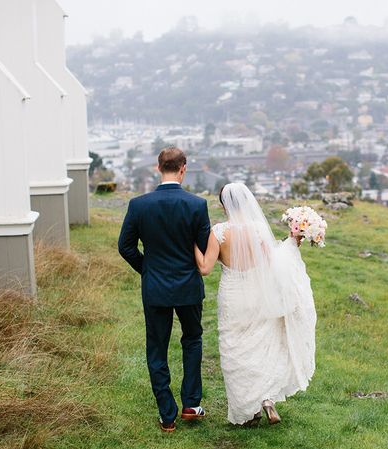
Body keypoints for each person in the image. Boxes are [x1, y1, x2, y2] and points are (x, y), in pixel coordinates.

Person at [194, 183, 317, 426]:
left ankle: (249, 413)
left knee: (235, 349)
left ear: (223, 205)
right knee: (262, 346)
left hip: (233, 296)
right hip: (259, 294)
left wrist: (193, 247)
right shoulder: (260, 229)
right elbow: (274, 262)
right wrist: (292, 243)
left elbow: (205, 268)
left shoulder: (219, 232)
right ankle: (267, 400)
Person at [118, 147, 211, 433]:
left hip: (155, 287)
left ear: (159, 168)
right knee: (192, 339)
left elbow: (126, 247)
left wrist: (148, 269)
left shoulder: (139, 205)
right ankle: (191, 404)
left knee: (157, 348)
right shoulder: (196, 205)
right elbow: (205, 248)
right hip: (188, 286)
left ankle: (167, 414)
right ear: (183, 168)